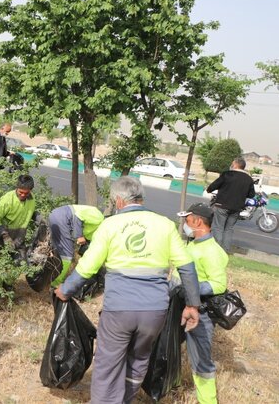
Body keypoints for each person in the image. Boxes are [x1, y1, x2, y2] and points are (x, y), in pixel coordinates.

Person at [55, 176, 201, 404]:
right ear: (140, 198)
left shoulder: (110, 225)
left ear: (119, 201)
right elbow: (187, 267)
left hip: (119, 310)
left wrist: (65, 289)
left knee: (108, 364)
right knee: (139, 358)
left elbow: (87, 267)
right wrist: (193, 304)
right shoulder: (164, 224)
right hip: (155, 311)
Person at [177, 202, 228, 404]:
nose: (185, 224)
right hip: (183, 306)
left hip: (201, 313)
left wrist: (191, 288)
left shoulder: (212, 251)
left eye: (187, 220)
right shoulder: (194, 243)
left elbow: (219, 284)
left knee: (201, 361)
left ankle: (208, 400)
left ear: (198, 221)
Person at [206, 157, 256, 253]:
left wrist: (209, 190)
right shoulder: (248, 179)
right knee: (229, 229)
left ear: (236, 165)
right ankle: (226, 250)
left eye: (232, 163)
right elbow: (251, 194)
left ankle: (217, 250)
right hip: (237, 208)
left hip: (222, 206)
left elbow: (213, 186)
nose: (231, 165)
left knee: (218, 227)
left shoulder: (227, 174)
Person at [48, 204, 104, 287]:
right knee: (67, 255)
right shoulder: (98, 217)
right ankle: (56, 283)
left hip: (56, 216)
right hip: (62, 217)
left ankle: (47, 277)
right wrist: (79, 236)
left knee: (56, 251)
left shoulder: (98, 231)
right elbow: (78, 217)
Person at [0, 174, 43, 263]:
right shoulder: (7, 200)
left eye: (26, 193)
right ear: (17, 188)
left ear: (31, 190)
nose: (23, 195)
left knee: (20, 263)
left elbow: (29, 211)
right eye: (20, 192)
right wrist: (5, 237)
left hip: (19, 236)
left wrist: (38, 217)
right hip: (3, 236)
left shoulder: (32, 198)